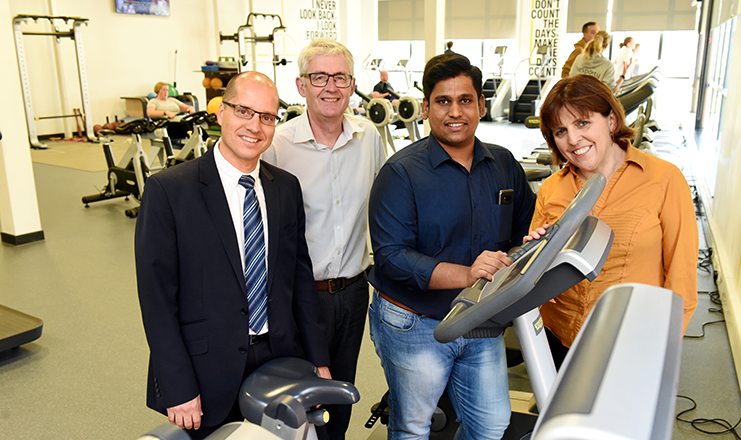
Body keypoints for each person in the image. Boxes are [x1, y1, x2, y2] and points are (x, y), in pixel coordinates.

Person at [136, 71, 331, 440]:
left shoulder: (285, 188)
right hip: (205, 369)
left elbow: (300, 282)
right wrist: (177, 386)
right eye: (244, 111)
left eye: (267, 117)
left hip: (279, 359)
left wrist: (318, 360)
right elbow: (156, 301)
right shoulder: (169, 191)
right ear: (221, 113)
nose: (255, 126)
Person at [368, 53, 537, 440]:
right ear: (426, 108)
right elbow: (392, 257)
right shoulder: (400, 173)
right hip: (415, 322)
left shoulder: (504, 164)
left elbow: (523, 228)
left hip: (480, 319)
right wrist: (467, 273)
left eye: (465, 100)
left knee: (491, 425)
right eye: (443, 101)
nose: (455, 111)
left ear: (481, 104)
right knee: (413, 427)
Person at [262, 38, 385, 440]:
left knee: (339, 396)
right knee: (298, 399)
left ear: (352, 85)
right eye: (319, 77)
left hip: (352, 292)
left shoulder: (369, 138)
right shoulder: (276, 144)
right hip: (297, 296)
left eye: (340, 77)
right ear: (301, 86)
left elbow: (387, 204)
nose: (330, 87)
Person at [531, 74, 698, 369]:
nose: (573, 140)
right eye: (560, 131)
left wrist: (664, 348)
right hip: (560, 337)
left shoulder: (664, 180)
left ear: (610, 121)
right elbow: (534, 275)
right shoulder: (551, 189)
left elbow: (681, 277)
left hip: (633, 342)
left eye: (583, 123)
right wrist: (535, 252)